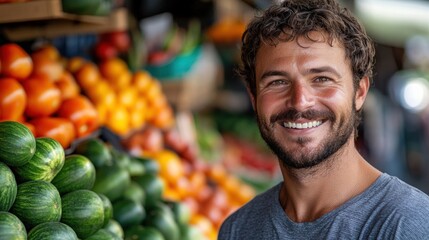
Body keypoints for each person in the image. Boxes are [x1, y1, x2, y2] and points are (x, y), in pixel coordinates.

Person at [218, 0, 429, 239]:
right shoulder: (238, 229)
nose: (299, 102)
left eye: (322, 79)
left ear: (359, 92)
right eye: (277, 82)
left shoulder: (409, 225)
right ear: (254, 98)